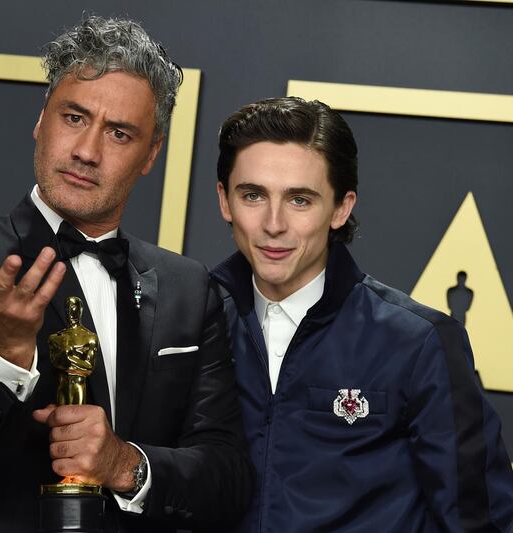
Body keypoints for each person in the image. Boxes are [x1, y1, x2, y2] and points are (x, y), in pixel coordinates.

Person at [0, 15, 250, 533]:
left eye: (119, 133)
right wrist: (6, 350)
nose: (88, 152)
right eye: (73, 118)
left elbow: (227, 479)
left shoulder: (188, 288)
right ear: (42, 120)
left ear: (151, 154)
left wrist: (123, 463)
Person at [211, 96, 513, 532]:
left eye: (299, 200)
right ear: (225, 201)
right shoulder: (191, 322)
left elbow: (480, 521)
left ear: (341, 208)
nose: (273, 223)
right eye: (253, 195)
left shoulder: (419, 342)